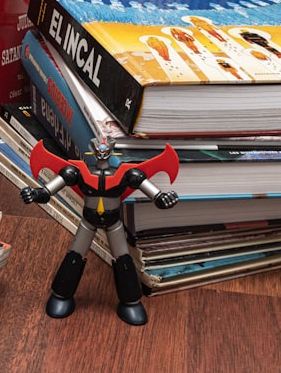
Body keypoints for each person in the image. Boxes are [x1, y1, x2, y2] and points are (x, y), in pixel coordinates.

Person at [21, 137, 179, 325]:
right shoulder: (76, 172)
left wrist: (162, 198)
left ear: (111, 150)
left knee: (123, 259)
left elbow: (155, 194)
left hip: (114, 223)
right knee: (75, 255)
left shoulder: (127, 174)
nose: (102, 151)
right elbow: (47, 192)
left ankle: (131, 302)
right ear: (93, 149)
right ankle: (61, 295)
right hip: (88, 221)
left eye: (106, 148)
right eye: (99, 147)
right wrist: (35, 194)